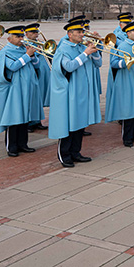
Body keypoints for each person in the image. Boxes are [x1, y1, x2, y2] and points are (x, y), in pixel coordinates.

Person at [49, 20, 101, 167]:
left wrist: (95, 50)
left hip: (83, 91)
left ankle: (76, 152)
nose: (82, 34)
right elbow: (69, 67)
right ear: (69, 34)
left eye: (82, 32)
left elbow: (98, 64)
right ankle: (64, 155)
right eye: (78, 32)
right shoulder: (63, 49)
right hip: (70, 91)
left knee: (80, 122)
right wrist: (85, 53)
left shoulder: (82, 46)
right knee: (68, 123)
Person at [0, 26, 40, 157]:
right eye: (17, 36)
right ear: (9, 38)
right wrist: (27, 55)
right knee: (14, 117)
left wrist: (33, 55)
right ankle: (11, 147)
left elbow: (37, 65)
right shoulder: (6, 52)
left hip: (26, 87)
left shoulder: (24, 49)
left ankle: (23, 144)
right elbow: (12, 67)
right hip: (14, 89)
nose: (21, 39)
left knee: (25, 116)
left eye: (21, 36)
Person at [24, 23, 50, 132]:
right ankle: (29, 122)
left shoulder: (40, 43)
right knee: (32, 97)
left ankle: (37, 120)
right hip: (34, 73)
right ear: (26, 34)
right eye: (32, 33)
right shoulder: (25, 44)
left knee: (39, 97)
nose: (35, 34)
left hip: (44, 72)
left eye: (36, 32)